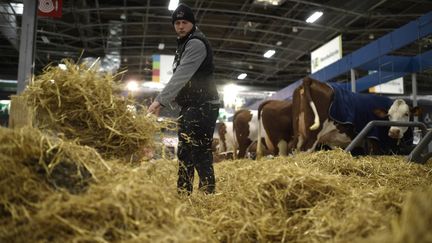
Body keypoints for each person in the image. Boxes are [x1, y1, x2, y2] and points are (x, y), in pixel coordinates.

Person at [147, 3, 220, 195]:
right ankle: (183, 195)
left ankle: (208, 194)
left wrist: (159, 100)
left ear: (192, 23)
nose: (180, 26)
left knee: (199, 150)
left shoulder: (195, 43)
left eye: (184, 22)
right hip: (191, 105)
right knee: (185, 152)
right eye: (177, 22)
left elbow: (181, 76)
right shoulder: (185, 43)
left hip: (204, 105)